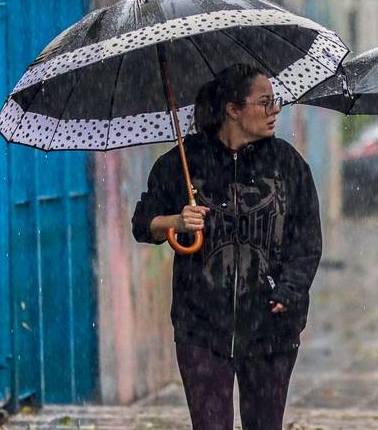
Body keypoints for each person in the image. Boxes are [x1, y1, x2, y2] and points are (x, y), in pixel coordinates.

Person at [131, 64, 322, 430]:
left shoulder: (287, 164)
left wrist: (290, 290)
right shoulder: (183, 164)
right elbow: (144, 224)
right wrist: (175, 221)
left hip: (271, 327)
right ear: (233, 109)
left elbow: (307, 241)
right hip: (201, 327)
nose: (274, 111)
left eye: (275, 102)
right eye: (264, 103)